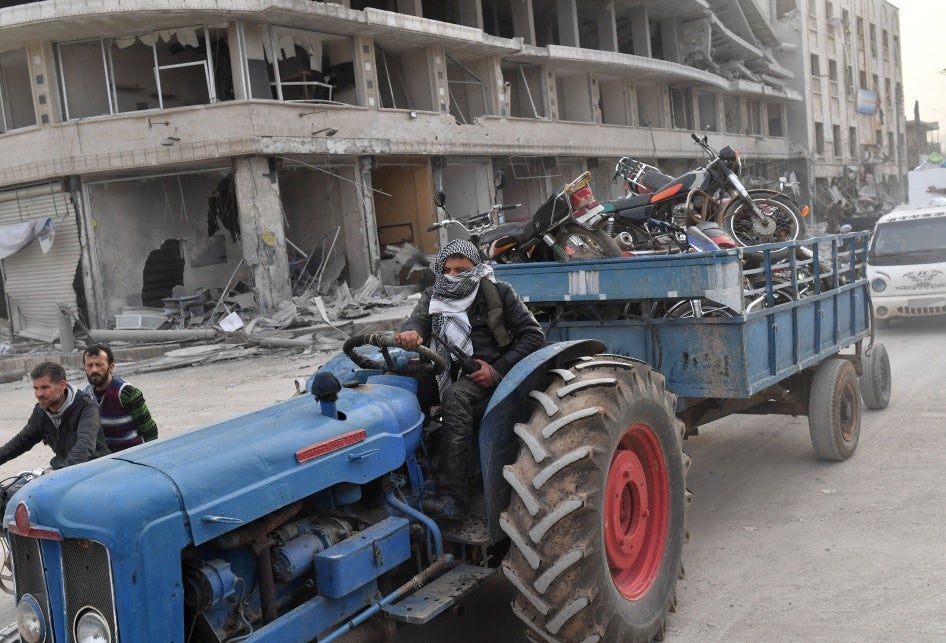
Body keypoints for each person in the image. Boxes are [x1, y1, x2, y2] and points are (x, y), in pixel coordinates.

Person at [395, 239, 545, 520]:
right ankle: (406, 476)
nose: (454, 276)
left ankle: (453, 497)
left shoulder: (498, 293)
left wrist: (497, 369)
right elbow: (417, 323)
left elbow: (534, 336)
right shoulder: (433, 296)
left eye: (461, 269)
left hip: (486, 377)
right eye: (448, 270)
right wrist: (411, 334)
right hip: (444, 370)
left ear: (476, 268)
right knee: (401, 390)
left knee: (456, 397)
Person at [0, 361, 111, 471]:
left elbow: (84, 446)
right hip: (62, 469)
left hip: (95, 470)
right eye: (36, 388)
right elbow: (20, 442)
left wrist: (58, 474)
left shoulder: (86, 407)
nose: (39, 394)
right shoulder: (41, 412)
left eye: (45, 387)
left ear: (62, 385)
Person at [83, 344, 159, 452]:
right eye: (89, 365)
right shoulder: (86, 394)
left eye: (99, 364)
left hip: (131, 455)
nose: (94, 369)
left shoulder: (126, 392)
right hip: (102, 460)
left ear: (111, 367)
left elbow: (149, 430)